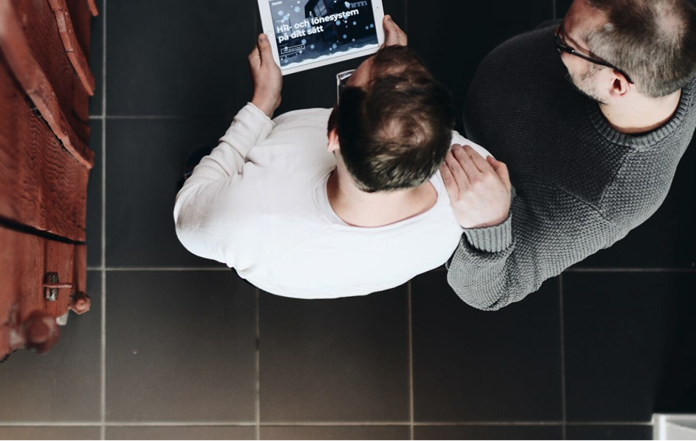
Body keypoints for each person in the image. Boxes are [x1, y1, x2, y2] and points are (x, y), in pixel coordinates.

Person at [174, 16, 494, 299]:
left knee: (198, 162)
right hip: (310, 274)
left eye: (351, 81)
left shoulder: (243, 218)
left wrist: (262, 104)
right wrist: (394, 72)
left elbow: (188, 211)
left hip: (264, 248)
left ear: (335, 137)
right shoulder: (468, 182)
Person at [441, 0, 696, 311]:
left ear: (616, 84)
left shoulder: (601, 202)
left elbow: (488, 293)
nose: (554, 37)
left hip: (467, 171)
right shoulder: (676, 11)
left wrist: (489, 227)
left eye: (566, 41)